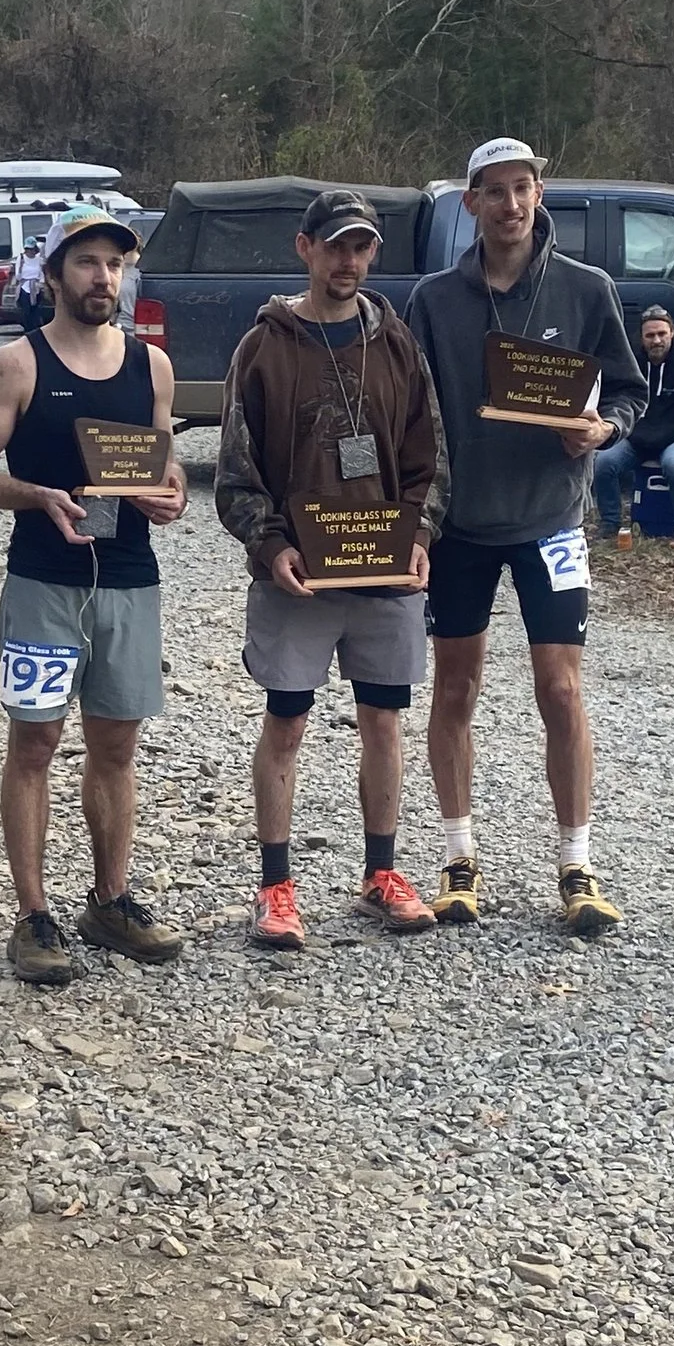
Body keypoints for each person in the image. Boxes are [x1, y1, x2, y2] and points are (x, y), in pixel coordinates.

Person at [404, 137, 644, 937]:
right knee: (456, 689)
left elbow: (630, 393)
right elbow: (410, 411)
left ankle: (576, 864)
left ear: (541, 194)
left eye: (524, 189)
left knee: (562, 690)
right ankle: (459, 857)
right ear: (470, 203)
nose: (511, 205)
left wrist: (604, 428)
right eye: (495, 192)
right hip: (464, 525)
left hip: (551, 519)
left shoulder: (586, 288)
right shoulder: (435, 300)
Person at [0, 198, 189, 986]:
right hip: (44, 583)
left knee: (117, 747)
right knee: (37, 743)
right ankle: (33, 915)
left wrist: (172, 494)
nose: (104, 276)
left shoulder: (149, 365)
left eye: (115, 263)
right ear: (53, 273)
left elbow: (166, 468)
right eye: (88, 261)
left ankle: (110, 900)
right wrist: (38, 495)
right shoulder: (17, 364)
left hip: (128, 579)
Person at [215, 189, 445, 949]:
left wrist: (424, 534)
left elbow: (429, 457)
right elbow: (236, 476)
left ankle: (382, 872)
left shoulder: (396, 343)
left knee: (384, 720)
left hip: (382, 571)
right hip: (300, 579)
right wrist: (271, 545)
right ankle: (275, 888)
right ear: (305, 248)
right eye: (337, 245)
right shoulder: (264, 348)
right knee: (287, 722)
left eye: (363, 247)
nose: (350, 260)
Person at [590, 305, 674, 542]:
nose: (657, 340)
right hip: (636, 438)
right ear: (641, 338)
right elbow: (616, 401)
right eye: (650, 335)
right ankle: (610, 523)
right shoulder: (631, 365)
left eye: (662, 334)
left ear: (672, 333)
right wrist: (634, 433)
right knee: (603, 463)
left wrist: (662, 436)